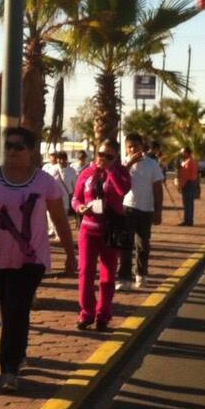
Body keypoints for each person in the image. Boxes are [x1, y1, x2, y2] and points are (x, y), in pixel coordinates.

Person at [0, 128, 76, 390]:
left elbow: (60, 219)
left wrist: (71, 255)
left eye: (19, 147)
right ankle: (20, 352)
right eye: (9, 147)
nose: (13, 152)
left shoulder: (45, 182)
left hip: (31, 259)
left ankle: (9, 371)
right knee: (9, 311)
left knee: (16, 309)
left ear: (31, 152)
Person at [71, 140, 132, 331]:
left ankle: (103, 314)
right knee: (85, 272)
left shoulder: (121, 173)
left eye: (109, 156)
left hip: (110, 231)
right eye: (100, 154)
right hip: (88, 230)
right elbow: (76, 197)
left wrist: (111, 170)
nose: (103, 159)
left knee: (108, 276)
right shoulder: (87, 173)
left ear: (116, 157)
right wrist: (80, 207)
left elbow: (123, 191)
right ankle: (86, 313)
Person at [116, 133, 165, 290]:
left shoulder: (152, 165)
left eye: (135, 146)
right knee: (125, 245)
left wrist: (158, 211)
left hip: (146, 209)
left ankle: (141, 275)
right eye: (129, 147)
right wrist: (130, 163)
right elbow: (116, 180)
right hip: (127, 208)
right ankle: (124, 278)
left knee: (143, 245)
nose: (132, 149)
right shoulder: (122, 164)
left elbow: (158, 189)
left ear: (142, 147)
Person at [177, 147, 200, 226]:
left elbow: (185, 175)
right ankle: (187, 219)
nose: (182, 154)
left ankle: (188, 220)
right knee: (187, 203)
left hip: (188, 183)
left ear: (187, 153)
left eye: (183, 152)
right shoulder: (187, 161)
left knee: (188, 203)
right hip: (189, 183)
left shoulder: (190, 162)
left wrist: (181, 185)